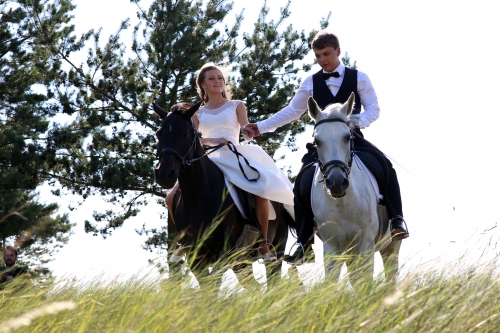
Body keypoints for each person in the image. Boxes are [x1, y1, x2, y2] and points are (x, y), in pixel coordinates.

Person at [243, 30, 409, 263]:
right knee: (301, 181)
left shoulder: (359, 78)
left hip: (352, 140)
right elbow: (292, 111)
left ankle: (397, 221)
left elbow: (374, 109)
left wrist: (357, 121)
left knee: (387, 167)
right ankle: (303, 241)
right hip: (322, 144)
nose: (322, 60)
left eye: (326, 54)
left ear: (338, 51)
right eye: (318, 56)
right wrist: (260, 127)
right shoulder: (310, 82)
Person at [165, 63, 295, 263]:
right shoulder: (197, 112)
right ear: (202, 85)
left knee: (260, 191)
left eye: (220, 78)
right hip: (207, 157)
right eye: (211, 78)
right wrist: (212, 141)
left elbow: (245, 128)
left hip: (234, 154)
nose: (217, 81)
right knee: (170, 197)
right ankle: (184, 239)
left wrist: (248, 131)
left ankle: (263, 243)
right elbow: (192, 139)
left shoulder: (237, 105)